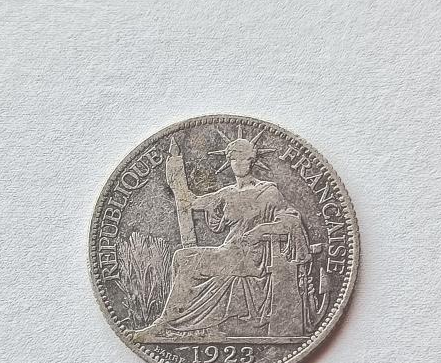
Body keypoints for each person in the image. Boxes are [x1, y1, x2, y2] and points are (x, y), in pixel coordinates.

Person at [133, 137, 315, 341]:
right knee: (180, 257)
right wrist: (175, 179)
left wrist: (261, 230)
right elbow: (191, 202)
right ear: (229, 162)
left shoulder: (267, 192)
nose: (239, 163)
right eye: (234, 159)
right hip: (231, 252)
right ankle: (188, 325)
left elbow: (292, 221)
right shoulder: (227, 193)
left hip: (252, 257)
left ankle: (165, 324)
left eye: (244, 158)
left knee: (186, 261)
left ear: (252, 160)